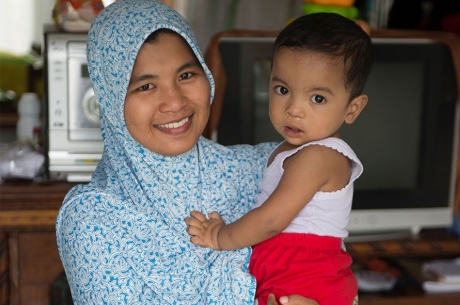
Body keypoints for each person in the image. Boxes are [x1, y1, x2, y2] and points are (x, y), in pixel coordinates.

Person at [55, 0, 319, 304]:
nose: (175, 102)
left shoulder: (271, 169)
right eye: (145, 86)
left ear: (206, 75)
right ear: (112, 99)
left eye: (185, 76)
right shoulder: (93, 221)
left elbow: (333, 271)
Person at [186, 12, 375, 305]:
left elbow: (272, 220)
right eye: (283, 90)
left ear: (353, 109)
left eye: (317, 98)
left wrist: (220, 236)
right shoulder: (292, 149)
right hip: (287, 275)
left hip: (305, 283)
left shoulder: (319, 156)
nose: (294, 109)